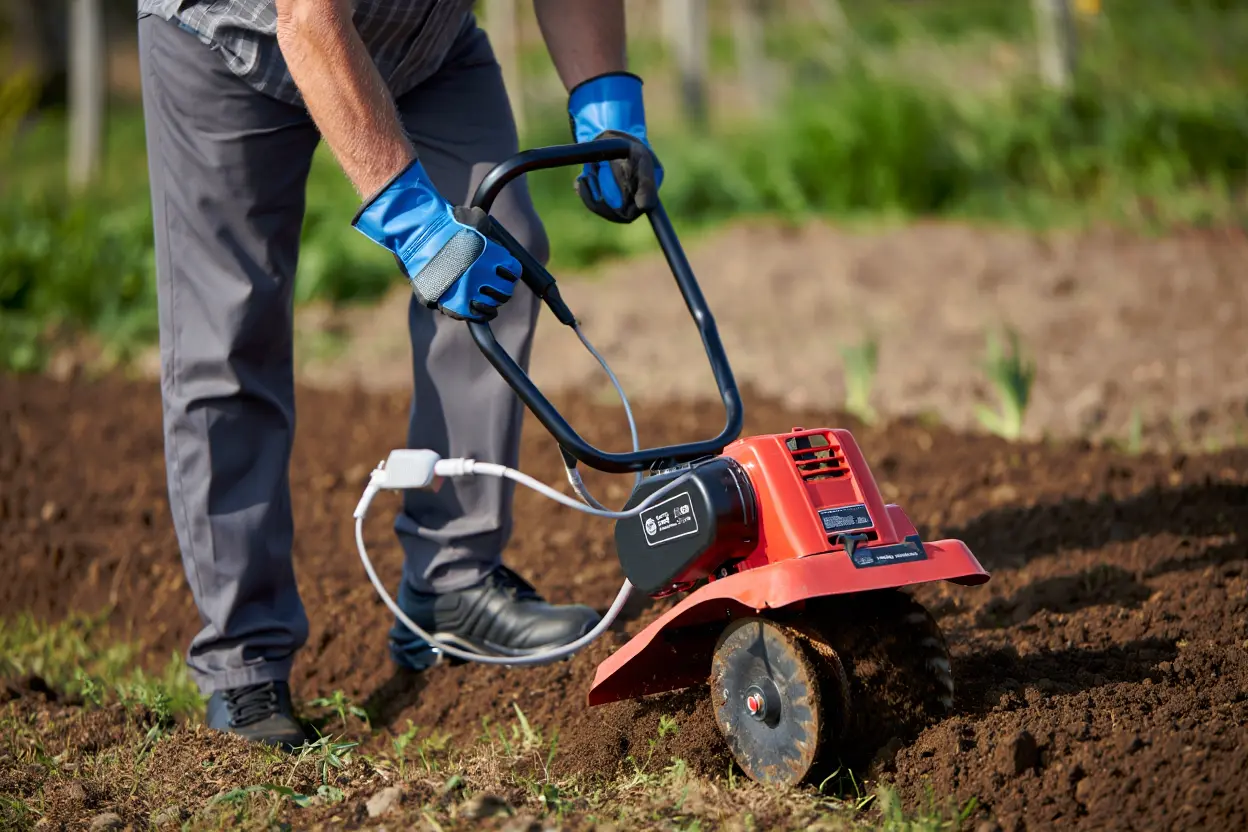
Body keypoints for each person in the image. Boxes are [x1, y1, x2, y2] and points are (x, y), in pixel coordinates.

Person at [136, 0, 662, 749]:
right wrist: (412, 219)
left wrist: (604, 96)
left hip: (424, 45)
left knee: (500, 249)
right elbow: (309, 21)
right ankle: (243, 661)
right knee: (229, 337)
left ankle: (450, 587)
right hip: (232, 41)